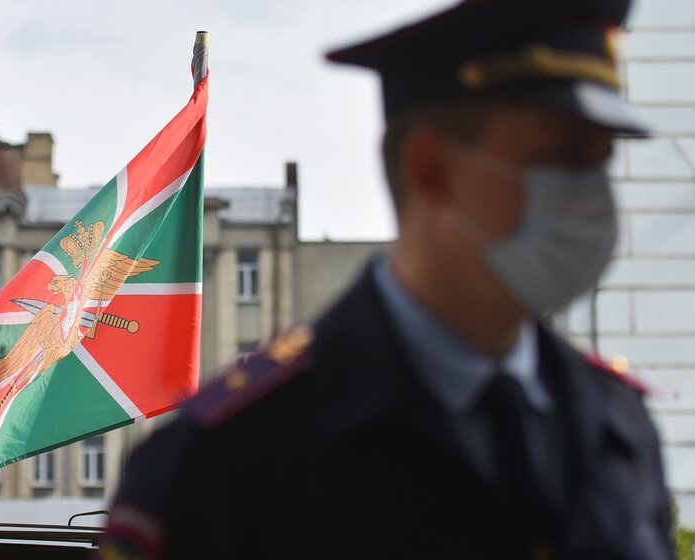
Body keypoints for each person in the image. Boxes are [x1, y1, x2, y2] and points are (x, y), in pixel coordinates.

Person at [102, 0, 675, 557]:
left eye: (598, 162)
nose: (590, 196)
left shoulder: (617, 426)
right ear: (432, 168)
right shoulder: (230, 461)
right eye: (560, 158)